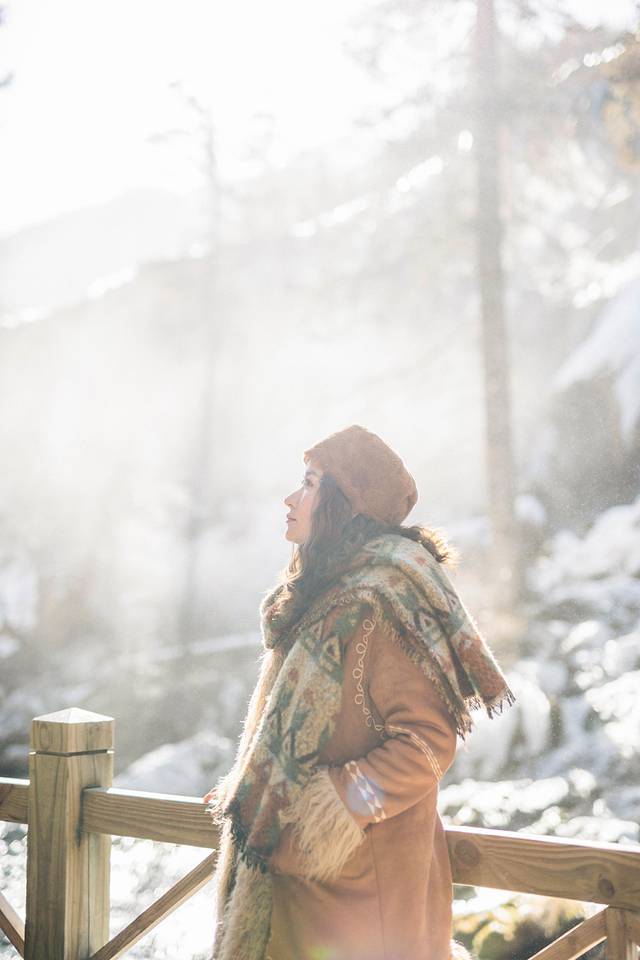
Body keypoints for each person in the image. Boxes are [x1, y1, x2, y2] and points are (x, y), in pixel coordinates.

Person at [204, 424, 516, 960]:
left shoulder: (382, 601)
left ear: (347, 502)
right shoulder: (328, 593)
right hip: (311, 886)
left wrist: (333, 810)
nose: (290, 498)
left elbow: (428, 742)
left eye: (308, 483)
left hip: (361, 899)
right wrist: (259, 788)